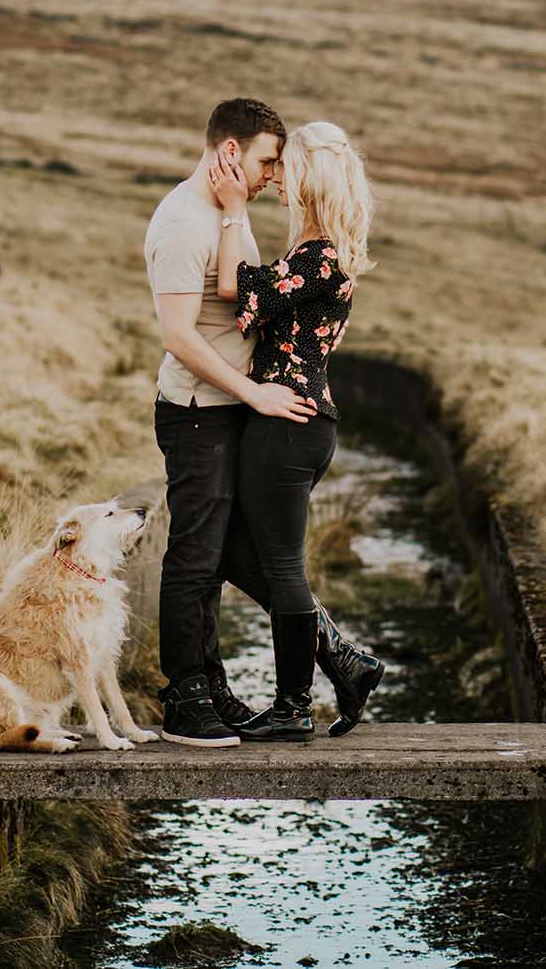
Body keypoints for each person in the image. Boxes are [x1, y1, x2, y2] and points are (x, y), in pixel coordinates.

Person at [144, 98, 317, 748]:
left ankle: (210, 681)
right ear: (228, 153)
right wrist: (256, 393)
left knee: (213, 553)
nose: (274, 174)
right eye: (267, 160)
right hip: (195, 412)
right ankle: (184, 697)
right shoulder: (185, 224)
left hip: (224, 410)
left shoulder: (223, 214)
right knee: (193, 554)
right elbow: (179, 337)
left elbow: (237, 295)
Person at [208, 119, 384, 742]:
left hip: (289, 424)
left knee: (282, 567)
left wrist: (233, 212)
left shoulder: (322, 255)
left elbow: (238, 293)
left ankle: (291, 708)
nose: (275, 177)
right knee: (233, 552)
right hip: (293, 422)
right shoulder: (318, 250)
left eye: (286, 168)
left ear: (310, 176)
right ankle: (341, 658)